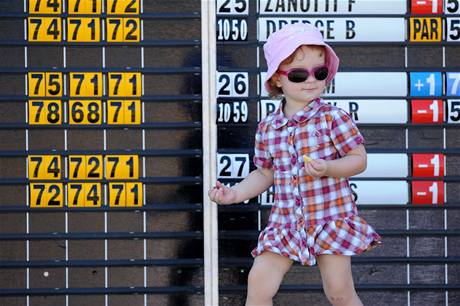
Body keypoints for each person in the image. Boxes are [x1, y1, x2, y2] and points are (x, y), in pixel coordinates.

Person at [208, 23, 382, 306]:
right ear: (277, 79)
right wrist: (236, 193)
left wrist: (329, 168)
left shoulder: (333, 118)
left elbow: (358, 159)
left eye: (320, 72)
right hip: (285, 222)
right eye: (299, 74)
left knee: (339, 292)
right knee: (259, 284)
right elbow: (265, 172)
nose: (311, 80)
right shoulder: (268, 128)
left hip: (330, 217)